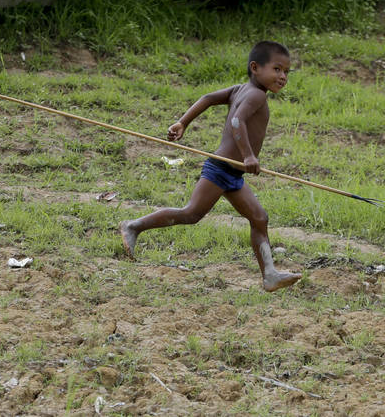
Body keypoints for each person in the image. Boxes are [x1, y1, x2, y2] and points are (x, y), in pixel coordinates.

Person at [119, 40, 302, 292]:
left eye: (286, 72)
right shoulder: (256, 94)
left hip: (233, 173)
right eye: (277, 69)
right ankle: (133, 225)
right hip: (221, 168)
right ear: (255, 67)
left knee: (259, 218)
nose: (282, 77)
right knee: (191, 213)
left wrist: (183, 122)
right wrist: (248, 156)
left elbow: (207, 98)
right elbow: (238, 121)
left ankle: (269, 274)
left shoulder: (240, 89)